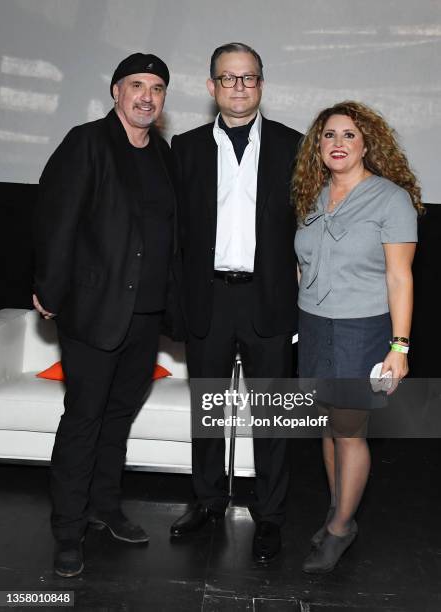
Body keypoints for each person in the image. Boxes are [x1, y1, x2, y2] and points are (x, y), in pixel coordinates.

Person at [33, 53, 180, 577]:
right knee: (84, 421)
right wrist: (50, 290)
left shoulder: (163, 155)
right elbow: (57, 219)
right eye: (137, 84)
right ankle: (68, 530)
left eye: (157, 87)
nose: (147, 95)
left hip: (146, 317)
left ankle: (104, 505)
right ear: (116, 90)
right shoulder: (86, 142)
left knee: (118, 419)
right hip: (95, 310)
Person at [170, 42, 302, 563]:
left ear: (261, 85)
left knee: (272, 417)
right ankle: (206, 502)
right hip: (208, 299)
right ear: (211, 87)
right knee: (207, 410)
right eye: (228, 78)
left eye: (248, 78)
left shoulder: (295, 145)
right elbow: (173, 231)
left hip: (268, 299)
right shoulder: (185, 147)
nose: (239, 87)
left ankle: (270, 517)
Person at [292, 100, 423, 573]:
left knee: (349, 430)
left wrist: (400, 346)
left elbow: (400, 278)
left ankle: (342, 528)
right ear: (318, 146)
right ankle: (337, 510)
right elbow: (303, 261)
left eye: (349, 134)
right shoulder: (312, 194)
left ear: (368, 143)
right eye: (329, 135)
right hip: (313, 326)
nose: (338, 143)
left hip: (362, 330)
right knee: (326, 426)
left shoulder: (390, 199)